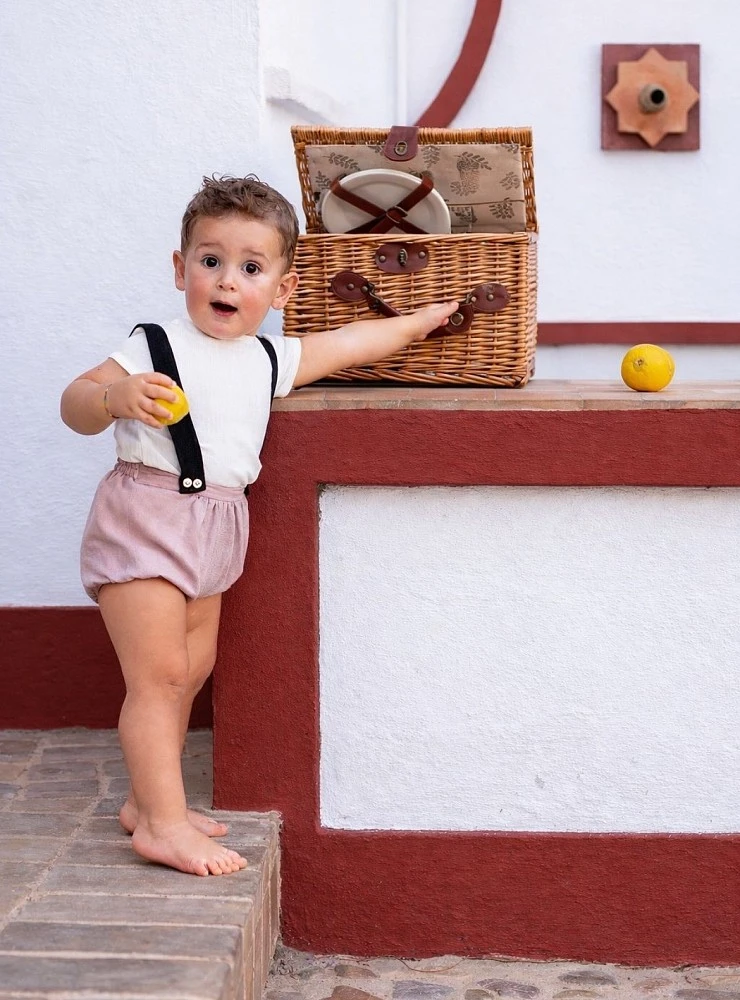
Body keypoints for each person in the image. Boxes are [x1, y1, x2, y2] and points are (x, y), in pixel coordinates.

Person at [60, 174, 458, 877]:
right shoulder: (153, 345)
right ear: (181, 269)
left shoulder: (271, 359)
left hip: (215, 527)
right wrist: (114, 398)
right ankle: (162, 825)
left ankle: (147, 803)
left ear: (281, 291)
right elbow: (75, 401)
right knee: (157, 676)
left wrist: (418, 321)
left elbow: (352, 343)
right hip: (146, 517)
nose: (226, 280)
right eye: (210, 261)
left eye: (250, 268)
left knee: (191, 672)